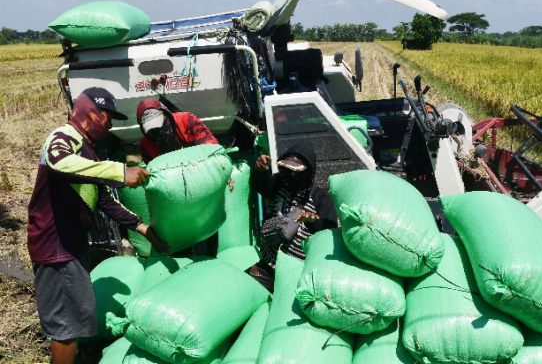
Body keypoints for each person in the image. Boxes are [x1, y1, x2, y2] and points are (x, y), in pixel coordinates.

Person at [27, 88, 170, 364]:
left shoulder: (88, 152)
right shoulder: (65, 136)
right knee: (67, 324)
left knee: (75, 316)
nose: (109, 125)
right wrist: (119, 171)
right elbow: (58, 163)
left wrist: (141, 228)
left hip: (70, 244)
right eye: (106, 116)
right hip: (56, 245)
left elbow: (102, 198)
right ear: (88, 110)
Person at [136, 98, 231, 256]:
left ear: (166, 115)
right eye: (150, 129)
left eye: (159, 123)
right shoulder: (146, 146)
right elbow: (154, 179)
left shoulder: (187, 121)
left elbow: (212, 152)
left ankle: (208, 258)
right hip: (175, 196)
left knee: (206, 234)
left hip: (202, 184)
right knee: (180, 244)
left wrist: (222, 172)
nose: (157, 131)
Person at [246, 141, 338, 292]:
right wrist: (261, 171)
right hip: (268, 265)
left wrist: (312, 222)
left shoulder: (321, 198)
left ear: (308, 172)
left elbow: (329, 233)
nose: (291, 175)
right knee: (244, 285)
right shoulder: (280, 184)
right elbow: (264, 188)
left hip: (296, 272)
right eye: (288, 170)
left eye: (297, 172)